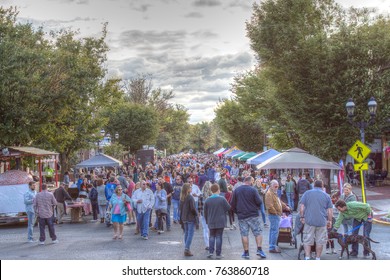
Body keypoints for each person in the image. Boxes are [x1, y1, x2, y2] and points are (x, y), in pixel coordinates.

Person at [230, 176, 267, 259]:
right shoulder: (253, 190)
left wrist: (238, 211)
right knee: (257, 232)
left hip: (242, 215)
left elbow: (232, 204)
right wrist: (256, 208)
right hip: (253, 215)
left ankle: (246, 252)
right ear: (249, 181)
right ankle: (259, 249)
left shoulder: (237, 190)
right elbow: (259, 202)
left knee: (244, 234)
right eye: (252, 181)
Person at [299, 180, 333, 260]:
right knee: (320, 241)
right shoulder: (326, 196)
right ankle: (317, 258)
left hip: (309, 221)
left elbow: (302, 207)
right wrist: (330, 220)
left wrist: (302, 217)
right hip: (321, 222)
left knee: (307, 239)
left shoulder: (307, 193)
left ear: (314, 185)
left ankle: (307, 257)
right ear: (322, 186)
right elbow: (330, 210)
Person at [204, 183, 231, 259]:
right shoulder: (222, 199)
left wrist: (207, 221)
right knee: (219, 236)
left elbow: (205, 212)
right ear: (218, 190)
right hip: (220, 220)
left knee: (211, 236)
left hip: (211, 220)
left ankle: (210, 252)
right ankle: (218, 254)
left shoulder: (207, 200)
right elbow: (228, 208)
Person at [265, 179, 290, 253]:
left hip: (275, 214)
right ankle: (272, 247)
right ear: (271, 186)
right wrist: (276, 213)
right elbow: (269, 206)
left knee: (273, 230)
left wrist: (285, 206)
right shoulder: (269, 193)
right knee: (274, 231)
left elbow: (279, 202)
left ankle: (271, 245)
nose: (277, 188)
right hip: (274, 215)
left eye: (278, 186)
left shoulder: (273, 193)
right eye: (276, 186)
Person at [179, 183, 198, 257]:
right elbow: (192, 208)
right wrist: (196, 213)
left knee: (186, 232)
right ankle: (186, 249)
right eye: (190, 187)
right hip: (190, 217)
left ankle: (187, 248)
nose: (191, 188)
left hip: (184, 217)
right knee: (190, 233)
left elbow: (180, 209)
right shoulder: (190, 197)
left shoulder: (182, 198)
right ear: (187, 189)